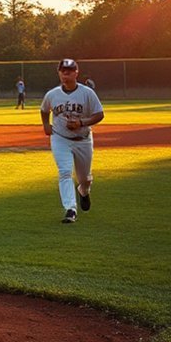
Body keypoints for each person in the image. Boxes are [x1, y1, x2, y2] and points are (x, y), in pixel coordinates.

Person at [40, 59, 104, 224]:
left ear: (76, 73)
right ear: (59, 73)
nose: (65, 74)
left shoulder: (87, 93)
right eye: (62, 71)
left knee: (85, 178)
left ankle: (84, 191)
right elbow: (44, 109)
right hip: (60, 138)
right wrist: (46, 125)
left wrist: (81, 123)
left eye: (69, 71)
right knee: (65, 172)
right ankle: (70, 209)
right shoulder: (52, 94)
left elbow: (99, 114)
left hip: (83, 139)